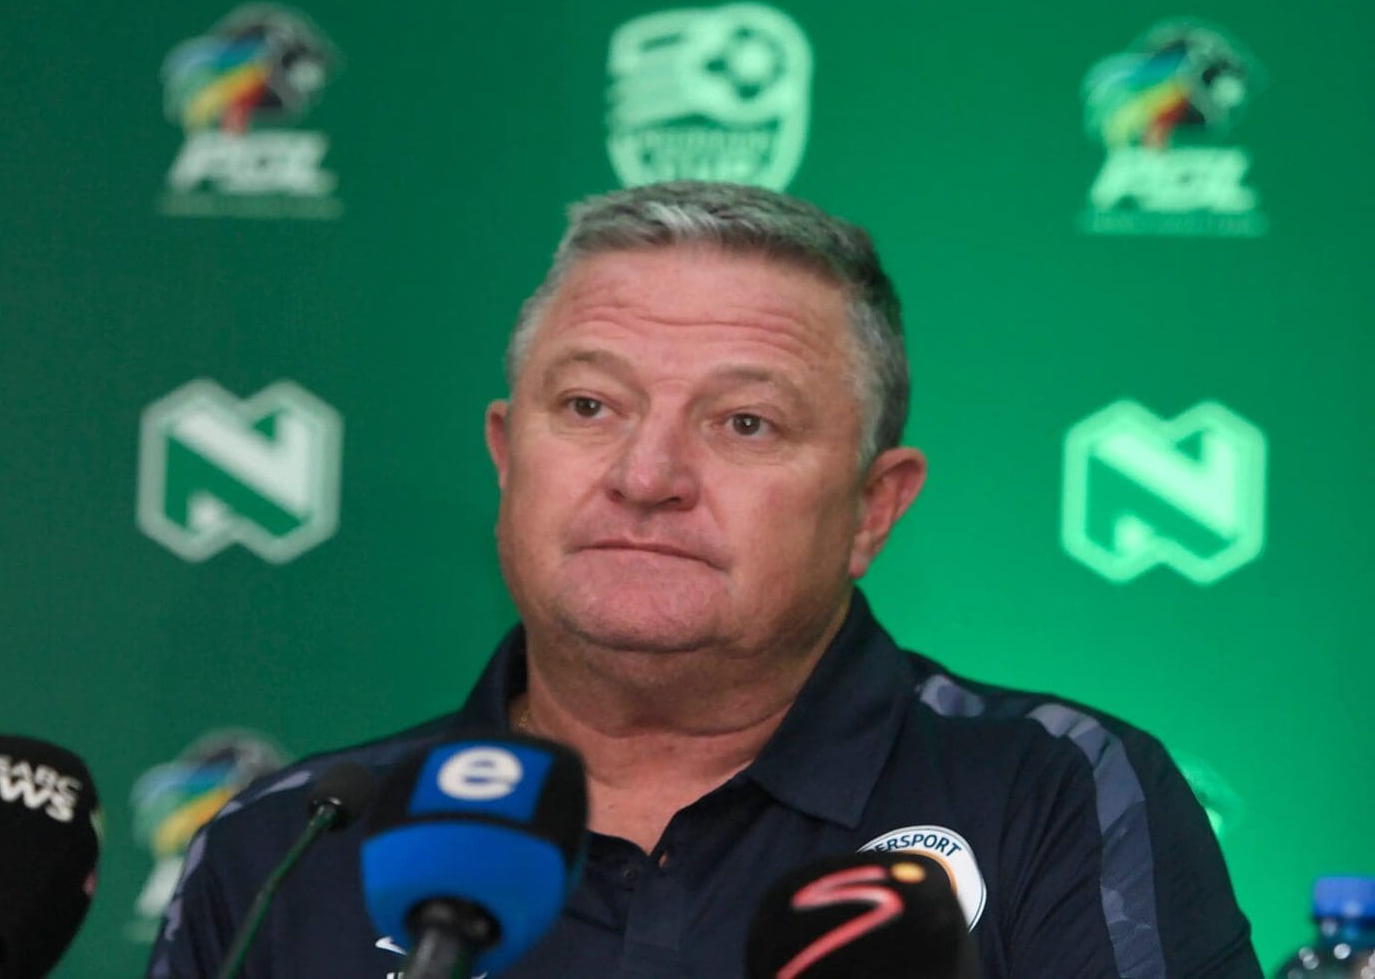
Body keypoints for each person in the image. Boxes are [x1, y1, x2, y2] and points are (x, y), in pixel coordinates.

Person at [147, 181, 1258, 978]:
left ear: (874, 508)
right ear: (506, 456)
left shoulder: (1051, 794)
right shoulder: (291, 844)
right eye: (590, 406)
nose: (647, 477)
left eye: (744, 423)